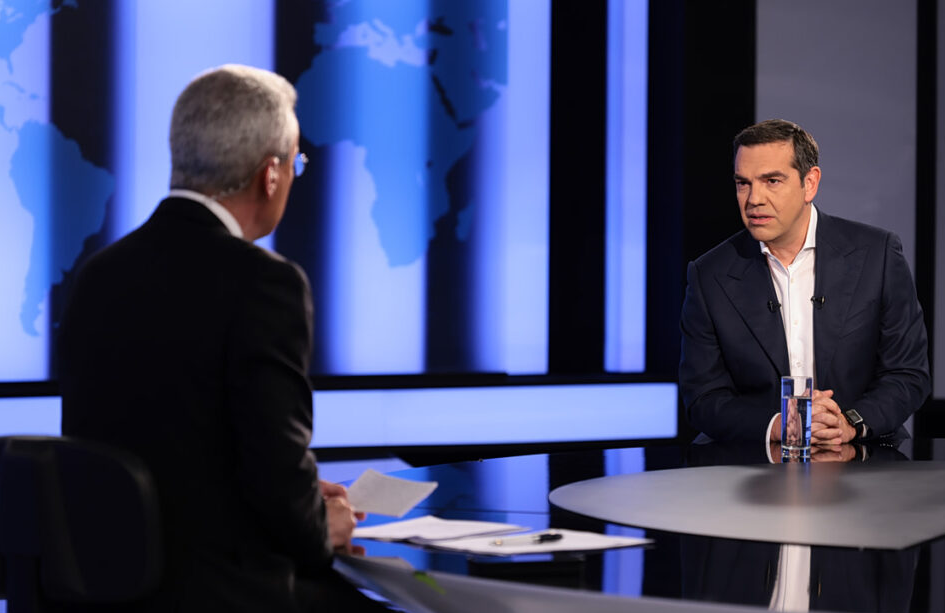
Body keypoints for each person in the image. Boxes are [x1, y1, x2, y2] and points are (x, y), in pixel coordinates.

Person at [59, 65, 385, 611]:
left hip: (106, 592)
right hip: (224, 595)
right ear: (271, 175)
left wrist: (304, 498)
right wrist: (315, 521)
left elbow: (178, 451)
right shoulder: (265, 284)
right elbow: (274, 472)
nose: (294, 176)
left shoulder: (99, 275)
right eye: (296, 162)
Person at [679, 119, 930, 445]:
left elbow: (908, 374)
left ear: (809, 183)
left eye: (772, 181)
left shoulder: (877, 255)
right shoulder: (709, 274)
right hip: (755, 459)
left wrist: (849, 423)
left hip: (862, 452)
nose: (754, 199)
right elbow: (703, 396)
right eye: (743, 183)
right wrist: (778, 425)